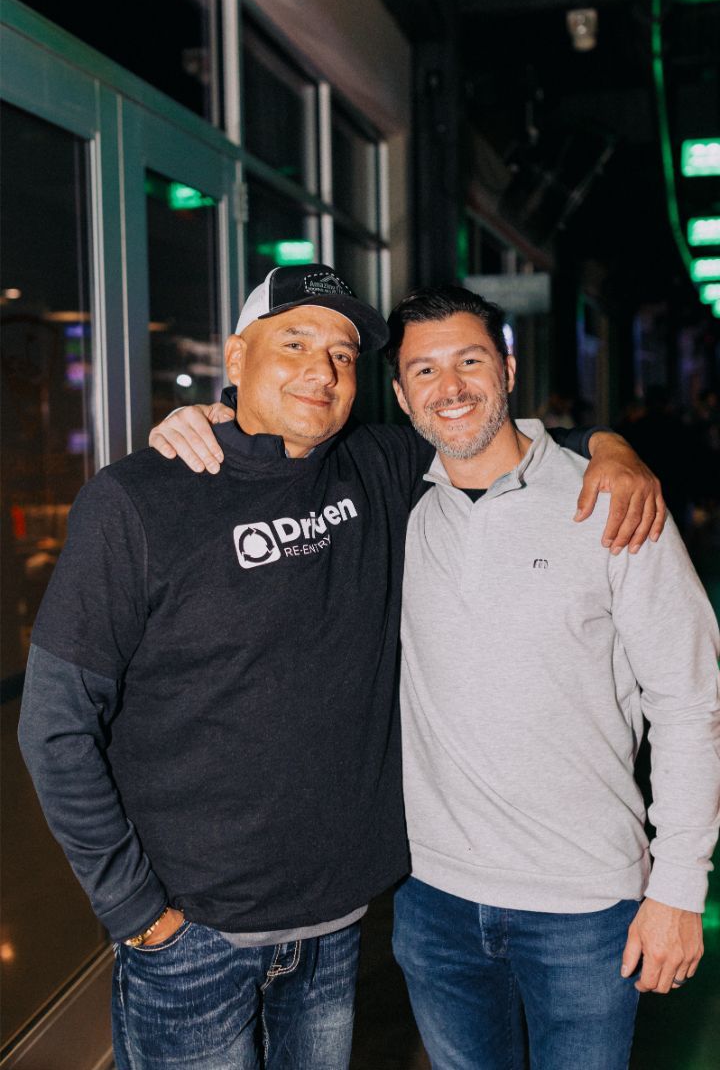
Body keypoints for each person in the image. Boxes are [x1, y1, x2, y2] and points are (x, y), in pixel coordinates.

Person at [21, 264, 660, 1070]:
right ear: (237, 356)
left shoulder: (378, 469)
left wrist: (612, 445)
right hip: (193, 938)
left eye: (345, 355)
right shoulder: (139, 498)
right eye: (294, 342)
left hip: (332, 935)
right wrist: (137, 913)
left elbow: (481, 426)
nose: (321, 370)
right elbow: (54, 726)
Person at [382, 286, 720, 1070]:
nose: (451, 386)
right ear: (400, 395)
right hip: (431, 896)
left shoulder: (610, 502)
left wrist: (677, 887)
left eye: (469, 360)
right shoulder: (398, 504)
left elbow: (689, 699)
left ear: (505, 367)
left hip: (584, 906)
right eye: (424, 370)